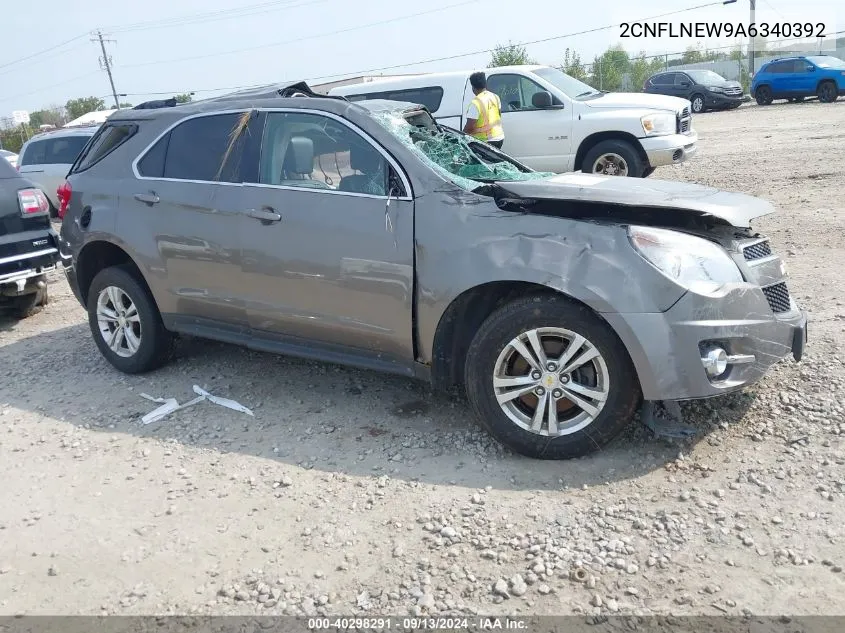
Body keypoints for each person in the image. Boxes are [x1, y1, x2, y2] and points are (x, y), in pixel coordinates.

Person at [463, 71, 504, 149]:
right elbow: (499, 115)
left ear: (473, 87)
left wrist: (461, 137)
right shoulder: (495, 97)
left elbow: (470, 127)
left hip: (486, 142)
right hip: (499, 137)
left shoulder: (476, 103)